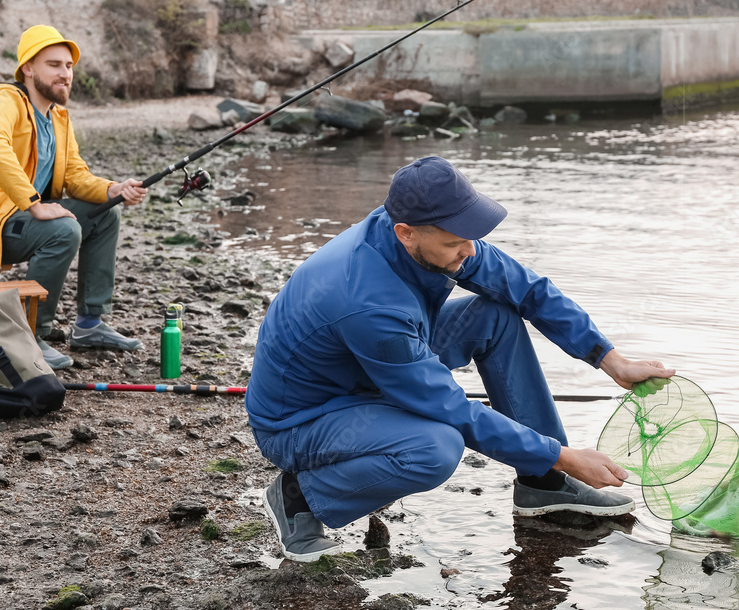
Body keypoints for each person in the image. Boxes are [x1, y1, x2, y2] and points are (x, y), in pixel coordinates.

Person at [246, 156, 675, 562]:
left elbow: (527, 290)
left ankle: (542, 483)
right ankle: (299, 498)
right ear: (406, 232)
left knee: (495, 315)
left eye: (469, 237)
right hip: (301, 421)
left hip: (367, 369)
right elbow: (450, 409)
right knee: (435, 448)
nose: (469, 251)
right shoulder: (369, 302)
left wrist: (610, 359)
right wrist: (564, 454)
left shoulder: (436, 241)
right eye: (455, 242)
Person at [0, 25, 147, 370]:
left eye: (69, 66)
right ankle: (30, 334)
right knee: (64, 230)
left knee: (106, 213)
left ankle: (90, 323)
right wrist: (35, 203)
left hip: (21, 219)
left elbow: (75, 175)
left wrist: (113, 189)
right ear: (28, 68)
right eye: (54, 64)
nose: (65, 74)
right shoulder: (2, 100)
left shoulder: (58, 117)